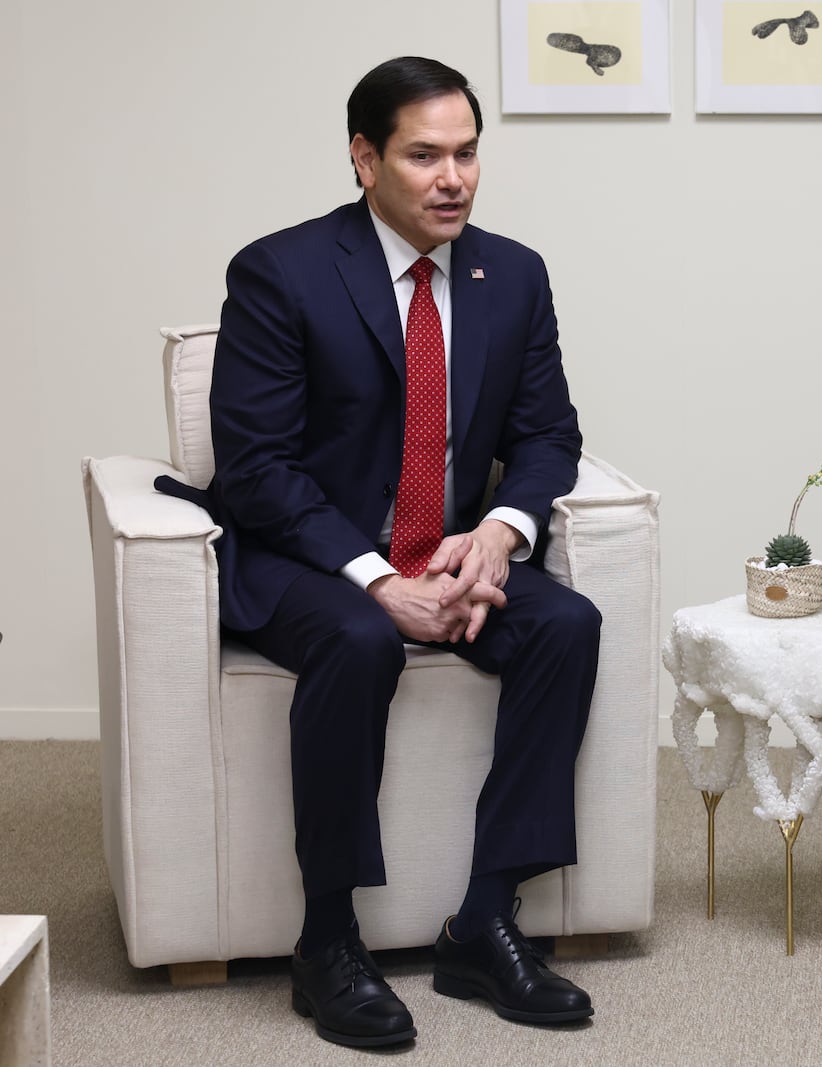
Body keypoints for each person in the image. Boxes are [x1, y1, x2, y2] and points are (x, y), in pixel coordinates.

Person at [205, 56, 600, 1048]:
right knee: (359, 640)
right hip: (312, 557)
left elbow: (549, 433)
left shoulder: (512, 274)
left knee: (566, 623)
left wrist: (501, 533)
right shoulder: (278, 272)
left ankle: (486, 918)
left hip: (449, 545)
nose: (453, 177)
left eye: (467, 153)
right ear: (364, 159)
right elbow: (255, 468)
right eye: (424, 155)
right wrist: (381, 580)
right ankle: (328, 939)